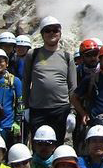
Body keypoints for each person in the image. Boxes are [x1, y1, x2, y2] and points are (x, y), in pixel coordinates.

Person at [24, 16, 77, 144]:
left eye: (55, 30)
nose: (52, 33)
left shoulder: (67, 56)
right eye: (48, 30)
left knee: (57, 146)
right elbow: (26, 81)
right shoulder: (33, 54)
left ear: (60, 33)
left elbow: (73, 86)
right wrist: (26, 107)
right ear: (42, 34)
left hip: (60, 109)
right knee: (38, 146)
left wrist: (73, 112)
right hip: (37, 109)